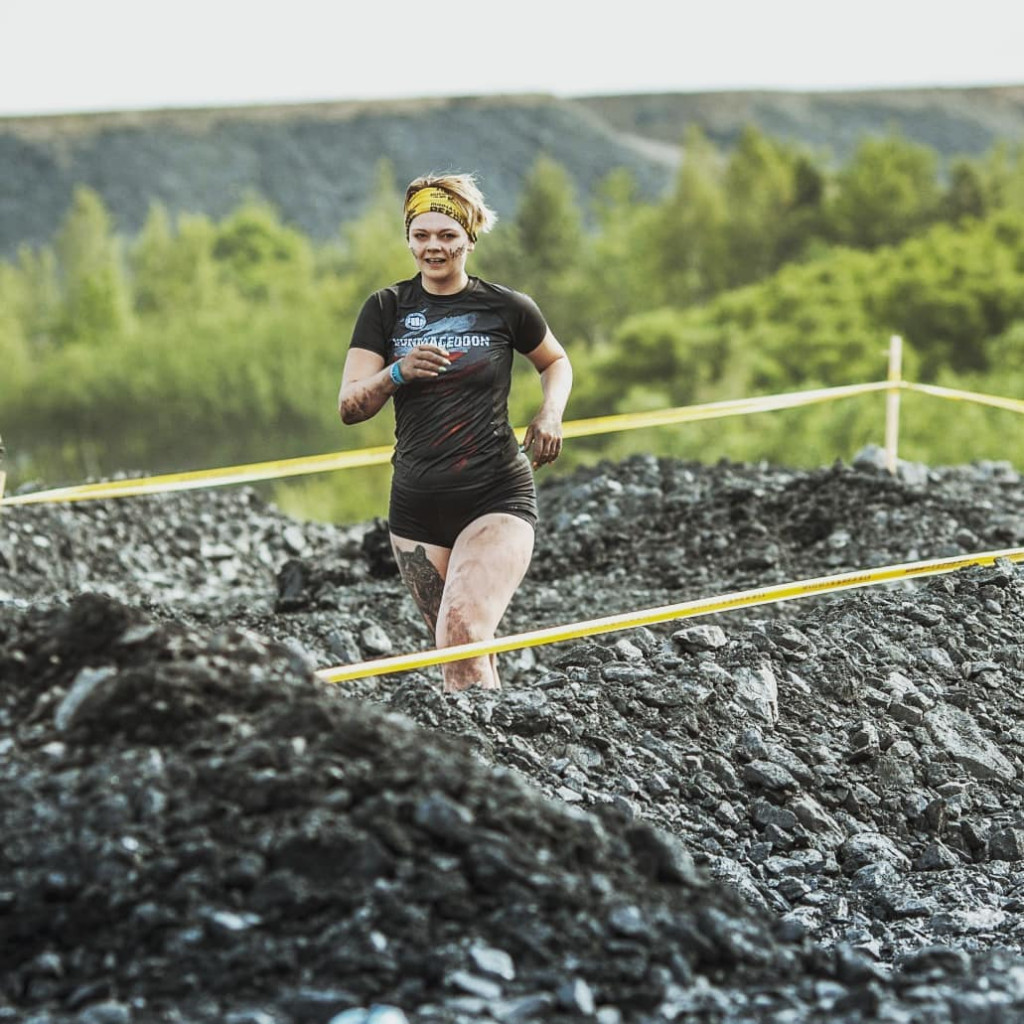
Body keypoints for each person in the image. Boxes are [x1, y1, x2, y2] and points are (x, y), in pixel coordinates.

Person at [339, 172, 573, 692]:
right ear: (408, 240)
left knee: (463, 633)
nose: (434, 247)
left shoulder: (507, 307)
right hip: (416, 509)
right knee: (459, 654)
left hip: (495, 494)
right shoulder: (385, 309)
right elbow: (350, 407)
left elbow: (555, 361)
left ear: (469, 237)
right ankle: (500, 753)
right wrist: (396, 372)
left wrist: (550, 413)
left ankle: (486, 764)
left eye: (447, 235)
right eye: (422, 236)